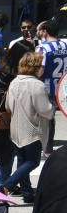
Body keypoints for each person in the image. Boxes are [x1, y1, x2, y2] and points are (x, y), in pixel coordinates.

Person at [0, 52, 55, 203]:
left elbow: (8, 107)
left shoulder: (14, 82)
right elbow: (45, 110)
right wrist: (53, 107)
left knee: (23, 161)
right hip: (32, 130)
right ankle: (6, 185)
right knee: (32, 162)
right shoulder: (37, 85)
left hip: (15, 129)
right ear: (35, 67)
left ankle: (27, 193)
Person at [36, 19, 67, 155]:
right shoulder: (64, 45)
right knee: (52, 118)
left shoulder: (43, 48)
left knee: (45, 119)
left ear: (46, 31)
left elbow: (40, 70)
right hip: (61, 87)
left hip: (47, 87)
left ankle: (44, 148)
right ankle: (48, 148)